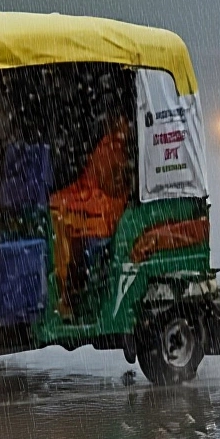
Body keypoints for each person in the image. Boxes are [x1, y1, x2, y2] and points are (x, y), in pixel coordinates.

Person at [50, 114, 132, 311]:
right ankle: (70, 294)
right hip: (100, 212)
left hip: (104, 218)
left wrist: (66, 201)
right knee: (64, 225)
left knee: (70, 234)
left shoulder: (114, 151)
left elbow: (104, 191)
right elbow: (92, 185)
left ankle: (71, 296)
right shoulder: (111, 148)